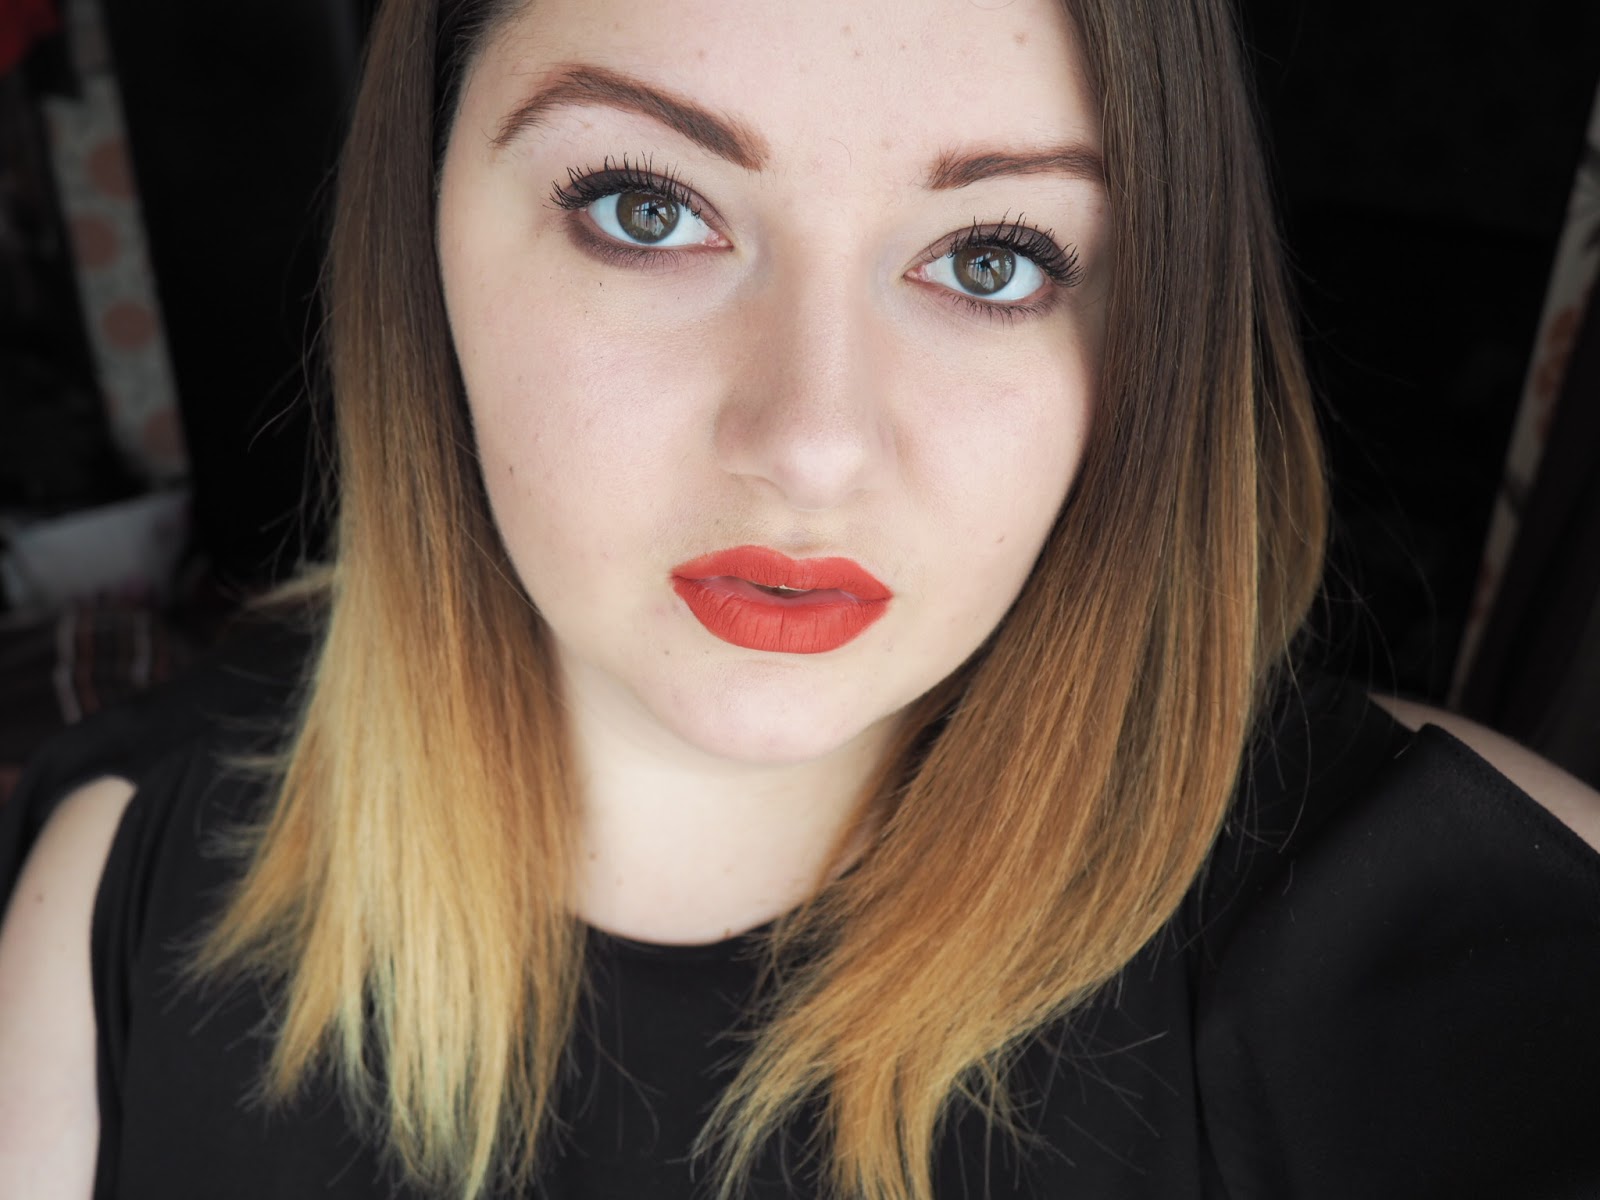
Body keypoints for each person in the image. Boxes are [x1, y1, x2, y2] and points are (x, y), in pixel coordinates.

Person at [2, 0, 1598, 1197]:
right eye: (647, 208)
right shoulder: (121, 899)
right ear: (418, 232)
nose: (814, 446)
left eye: (993, 258)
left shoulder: (1428, 948)